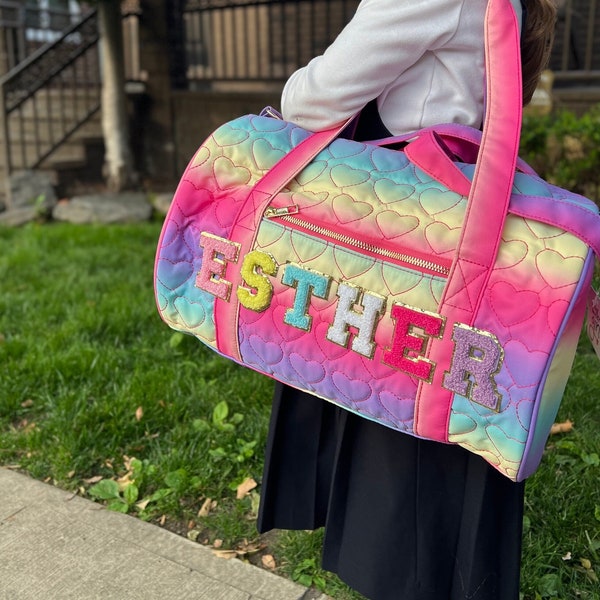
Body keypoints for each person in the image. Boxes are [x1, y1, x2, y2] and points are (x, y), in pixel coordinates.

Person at [257, 1, 557, 599]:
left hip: (403, 234)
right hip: (452, 219)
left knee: (398, 439)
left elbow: (312, 100)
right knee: (438, 406)